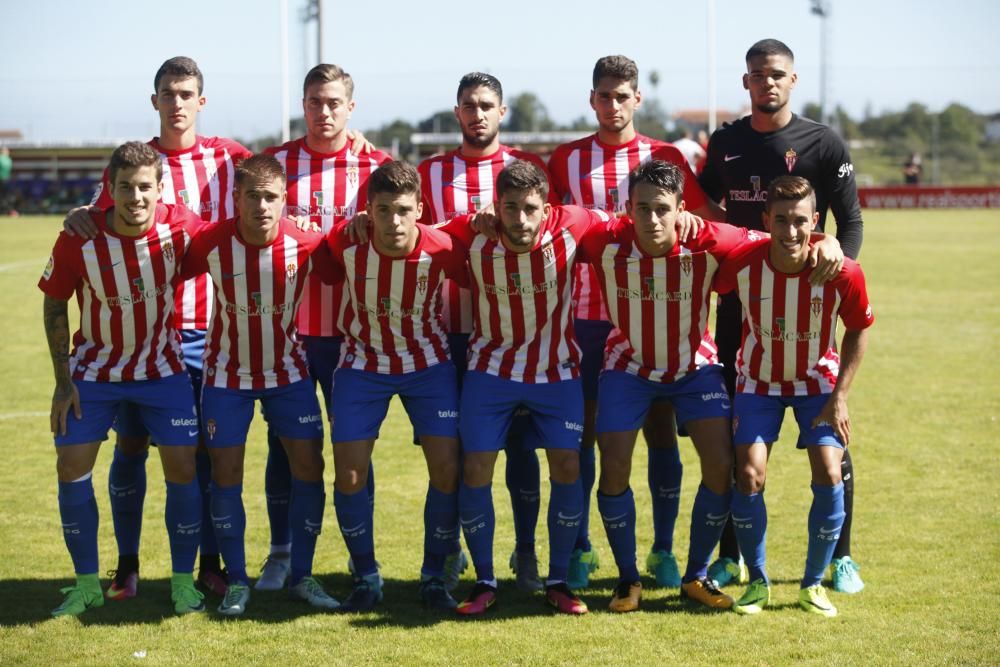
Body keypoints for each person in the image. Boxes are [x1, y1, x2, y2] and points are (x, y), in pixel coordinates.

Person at [578, 160, 843, 613]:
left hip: (694, 368)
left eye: (663, 209)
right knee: (614, 465)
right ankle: (627, 579)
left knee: (722, 466)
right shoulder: (602, 239)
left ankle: (696, 574)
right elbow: (550, 221)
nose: (652, 219)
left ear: (681, 208)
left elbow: (782, 239)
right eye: (642, 209)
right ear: (627, 208)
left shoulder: (710, 240)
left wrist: (827, 241)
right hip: (627, 366)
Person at [548, 54, 726, 591]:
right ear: (592, 98)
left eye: (622, 95)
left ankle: (664, 549)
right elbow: (549, 226)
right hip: (585, 316)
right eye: (604, 95)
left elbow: (702, 224)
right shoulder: (566, 159)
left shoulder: (665, 155)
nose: (613, 104)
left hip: (662, 315)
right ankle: (581, 548)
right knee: (588, 436)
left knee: (661, 434)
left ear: (637, 98)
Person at [699, 38, 867, 593]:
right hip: (739, 307)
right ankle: (732, 557)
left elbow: (851, 221)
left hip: (809, 305)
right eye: (756, 75)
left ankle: (841, 557)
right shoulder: (724, 142)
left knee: (832, 437)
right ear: (745, 82)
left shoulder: (821, 142)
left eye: (776, 74)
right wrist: (736, 254)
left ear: (792, 80)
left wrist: (836, 264)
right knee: (737, 442)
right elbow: (705, 207)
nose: (766, 82)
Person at [38, 141, 206, 617]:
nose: (136, 197)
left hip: (162, 370)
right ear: (109, 190)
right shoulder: (79, 238)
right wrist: (62, 380)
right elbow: (54, 303)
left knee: (184, 470)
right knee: (70, 467)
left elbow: (233, 237)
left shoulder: (181, 226)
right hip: (94, 371)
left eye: (145, 187)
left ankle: (182, 583)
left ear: (160, 189)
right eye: (125, 187)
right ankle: (87, 585)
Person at [417, 72, 556, 592]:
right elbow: (416, 237)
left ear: (502, 112)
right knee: (451, 454)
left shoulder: (528, 172)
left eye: (487, 105)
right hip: (446, 332)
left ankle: (525, 553)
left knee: (521, 450)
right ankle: (448, 553)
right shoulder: (429, 172)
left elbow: (555, 231)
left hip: (516, 338)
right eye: (469, 105)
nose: (477, 113)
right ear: (457, 112)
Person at [182, 154, 339, 616]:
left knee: (309, 468)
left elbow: (348, 260)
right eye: (253, 196)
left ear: (285, 200)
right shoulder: (210, 242)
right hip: (227, 376)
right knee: (226, 476)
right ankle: (236, 580)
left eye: (272, 197)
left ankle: (302, 575)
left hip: (289, 375)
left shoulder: (307, 243)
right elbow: (163, 253)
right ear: (236, 199)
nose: (263, 206)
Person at [256, 63, 391, 591]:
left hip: (355, 333)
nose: (324, 111)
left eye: (334, 102)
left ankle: (365, 563)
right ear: (303, 104)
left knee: (355, 447)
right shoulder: (275, 165)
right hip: (288, 330)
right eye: (315, 101)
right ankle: (281, 554)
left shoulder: (376, 165)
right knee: (283, 445)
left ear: (350, 108)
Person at [714, 175, 873, 617]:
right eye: (780, 220)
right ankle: (758, 584)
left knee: (829, 468)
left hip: (817, 384)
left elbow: (859, 329)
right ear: (765, 220)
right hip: (758, 382)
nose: (790, 231)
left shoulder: (841, 270)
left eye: (800, 221)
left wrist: (840, 397)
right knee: (748, 474)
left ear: (815, 222)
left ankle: (813, 585)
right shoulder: (742, 261)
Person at [325, 161, 468, 612]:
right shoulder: (344, 244)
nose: (393, 222)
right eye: (383, 210)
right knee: (349, 474)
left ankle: (433, 576)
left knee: (447, 470)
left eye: (404, 210)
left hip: (428, 365)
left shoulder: (443, 247)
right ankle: (366, 576)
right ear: (368, 211)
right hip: (362, 363)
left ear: (420, 210)